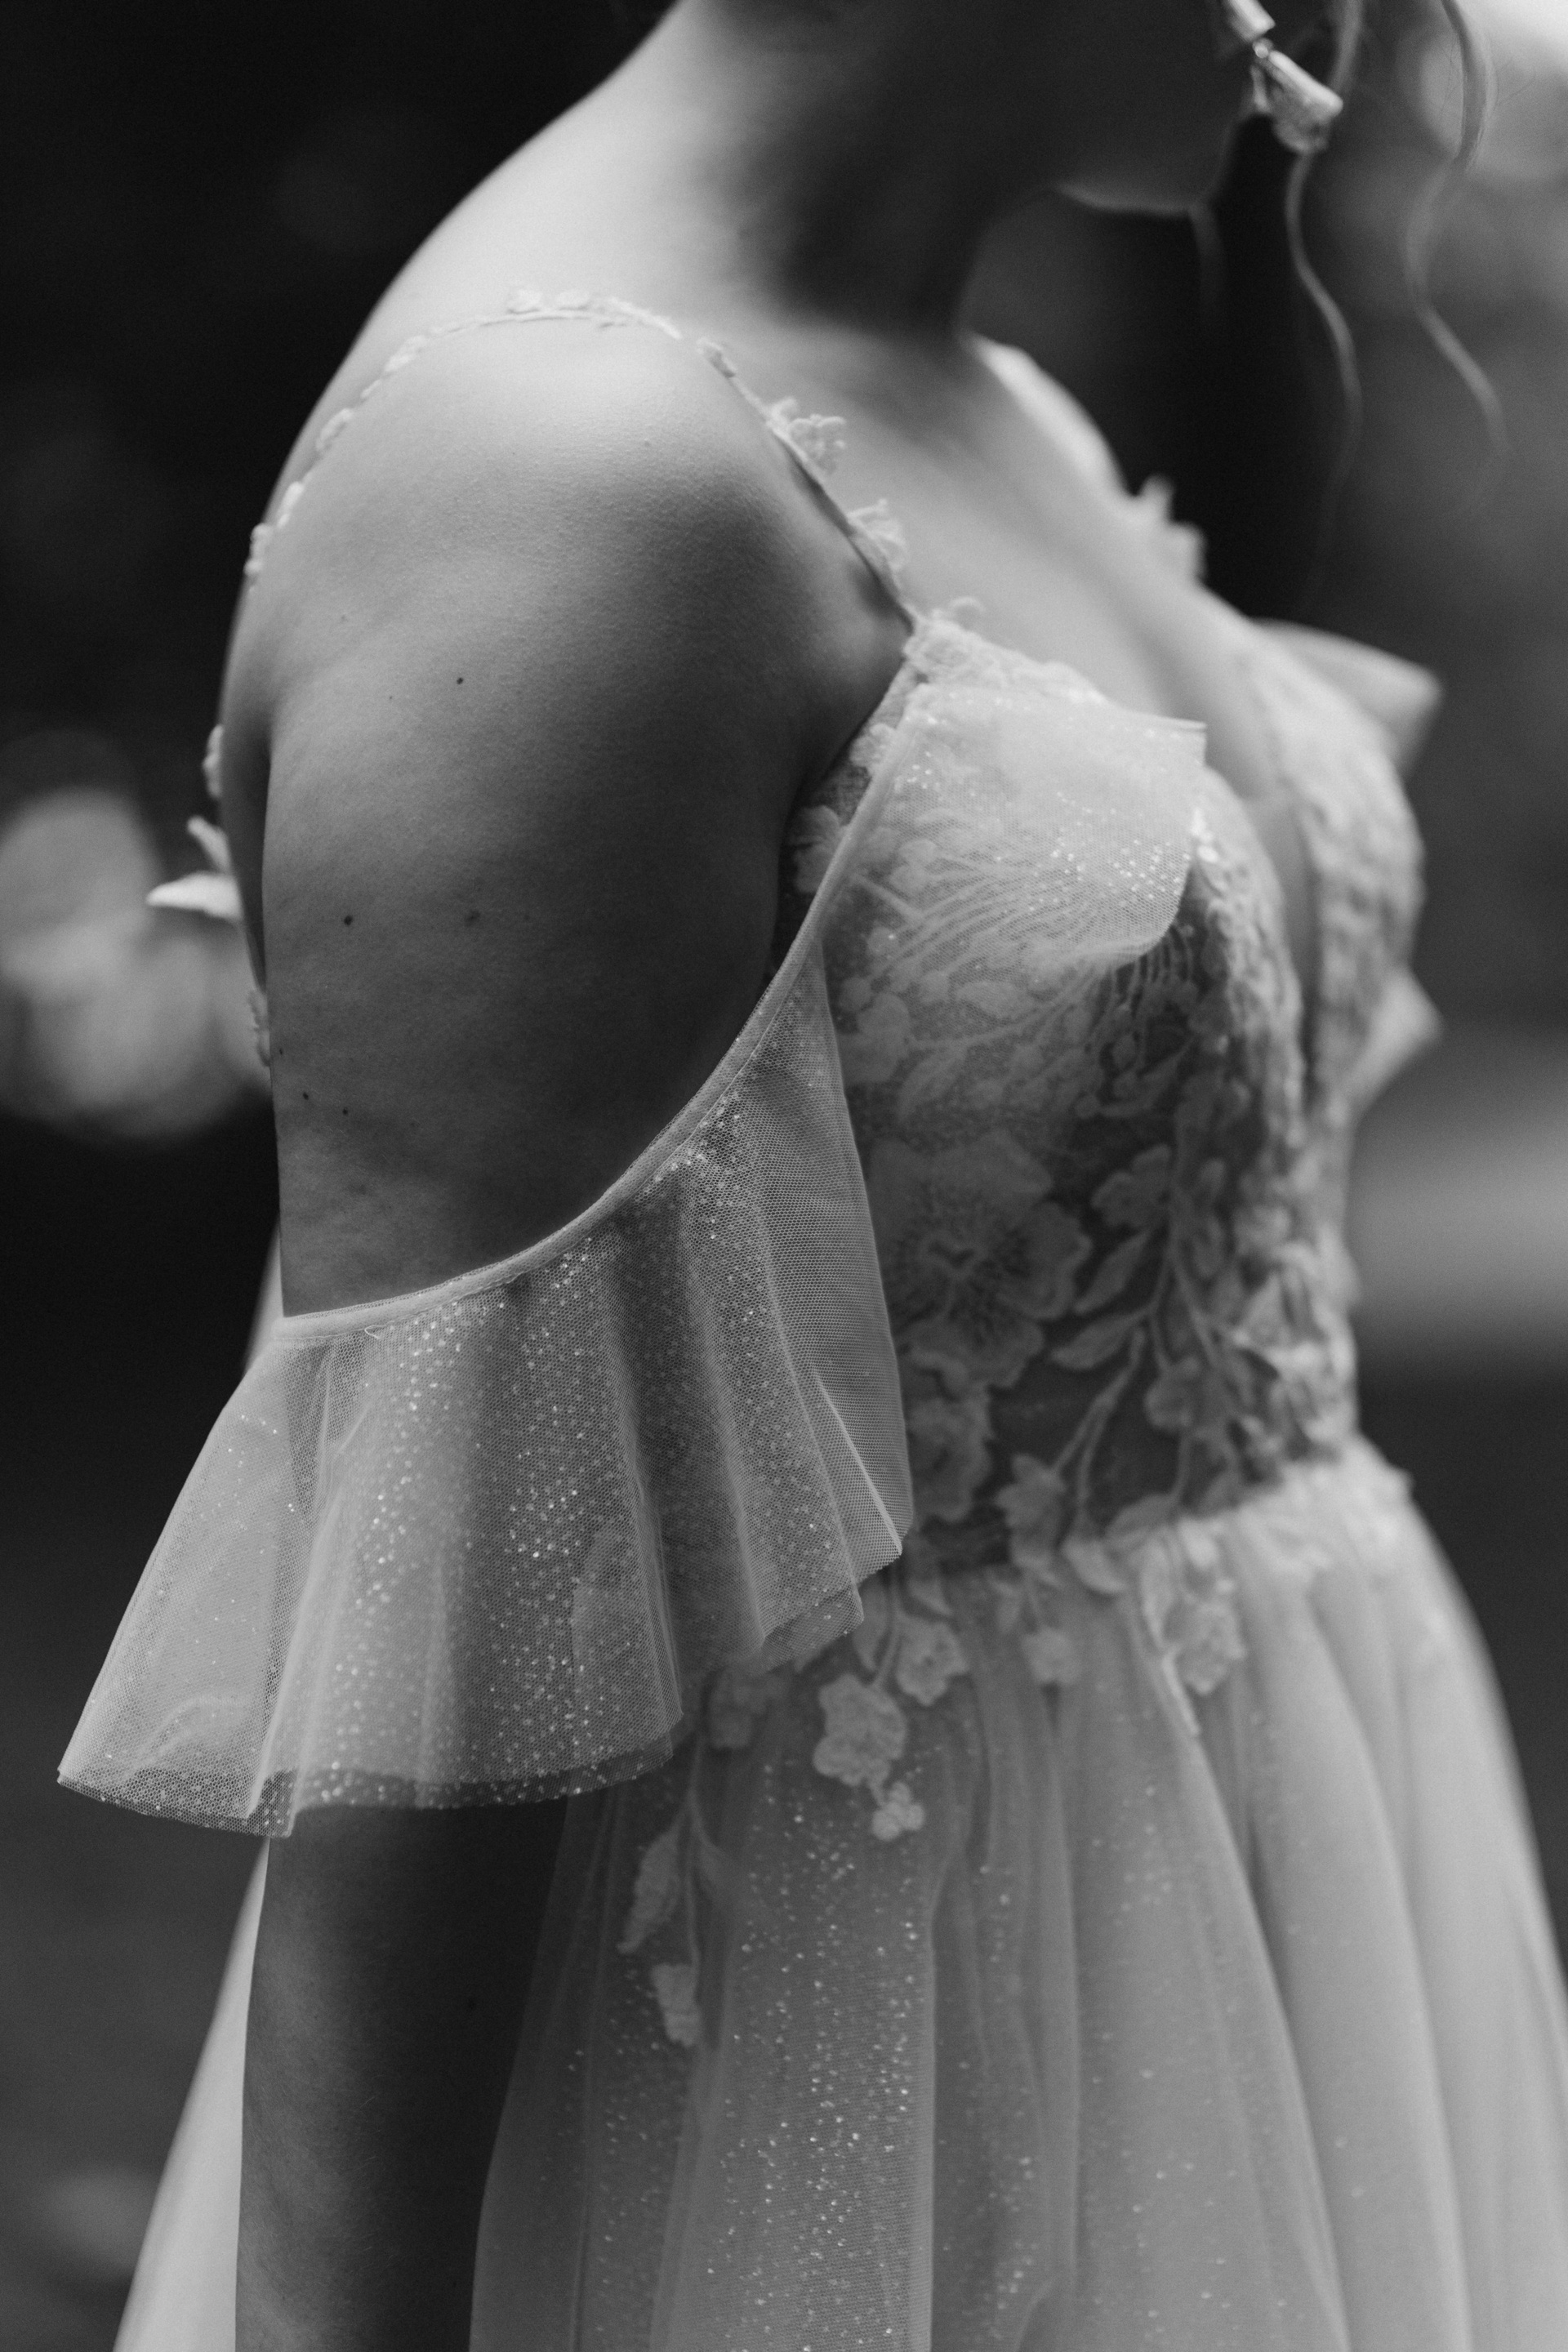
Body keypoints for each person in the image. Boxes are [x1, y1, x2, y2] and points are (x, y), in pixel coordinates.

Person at [60, 0, 1568, 2345]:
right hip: (855, 2051)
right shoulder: (562, 490)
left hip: (1248, 1902)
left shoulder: (979, 393)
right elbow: (461, 1585)